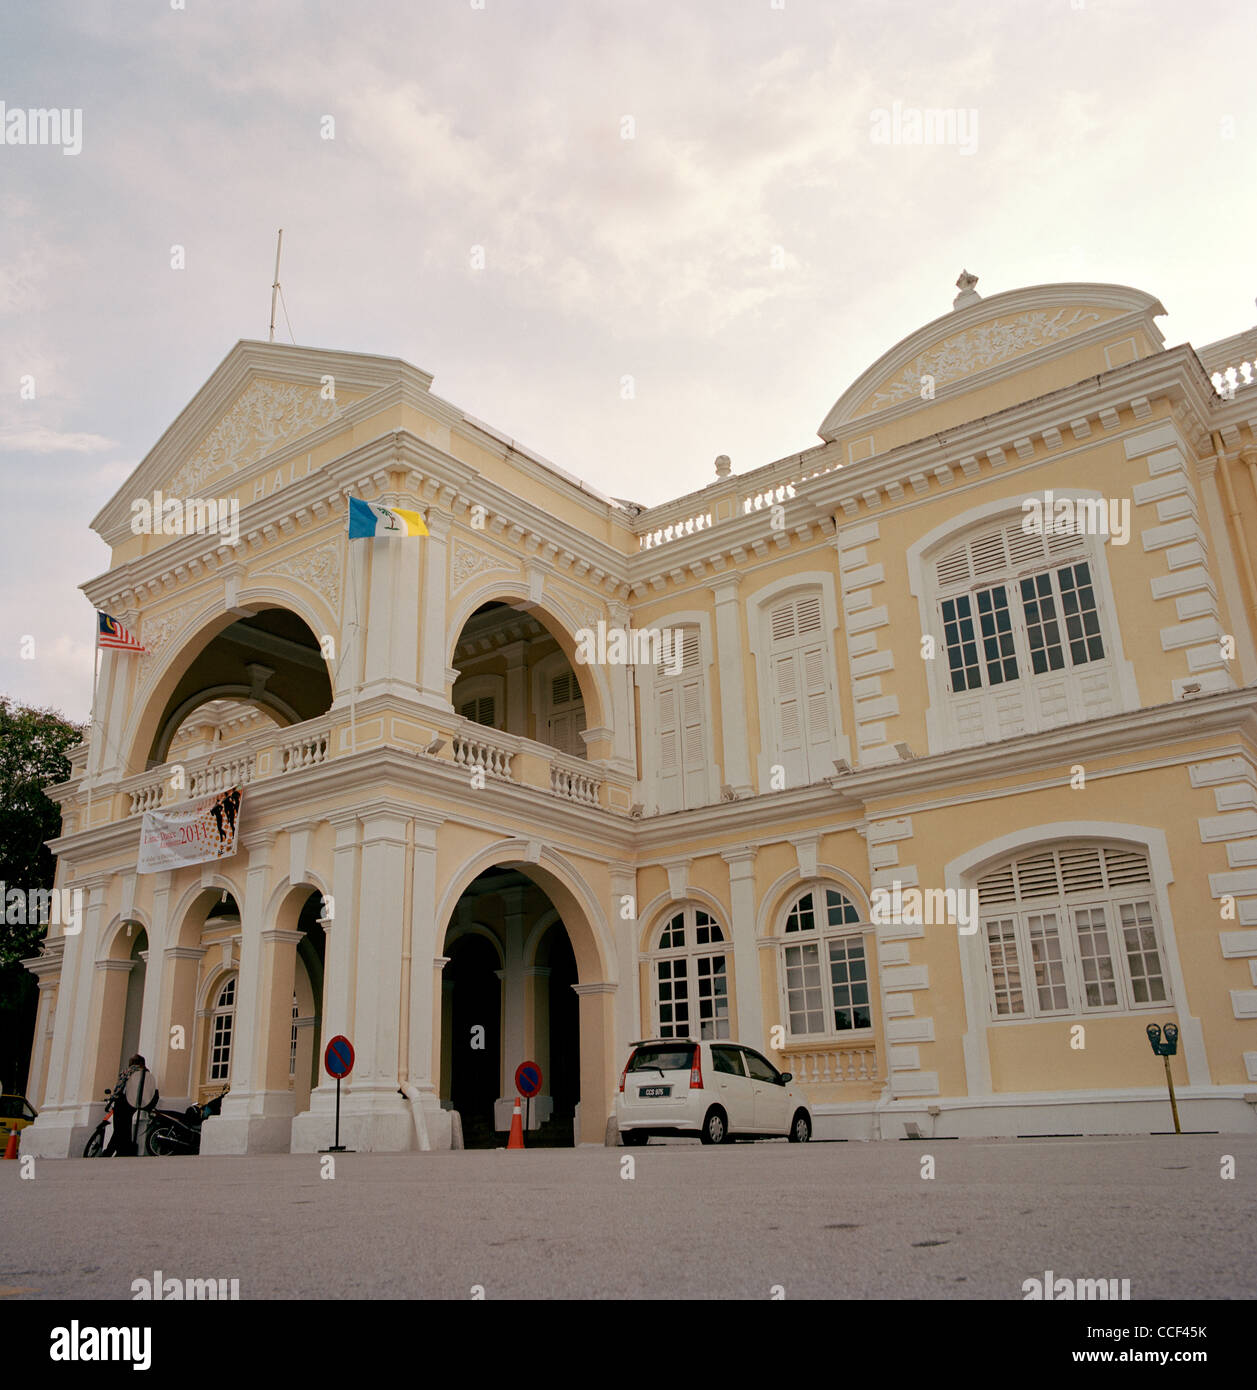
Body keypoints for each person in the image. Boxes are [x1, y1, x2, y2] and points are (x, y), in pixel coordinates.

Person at [108, 1054, 159, 1156]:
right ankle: (121, 1150)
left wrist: (112, 1098)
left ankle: (113, 1152)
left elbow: (119, 1087)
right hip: (134, 1103)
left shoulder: (127, 1072)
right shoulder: (145, 1073)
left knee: (119, 1128)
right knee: (125, 1127)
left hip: (122, 1102)